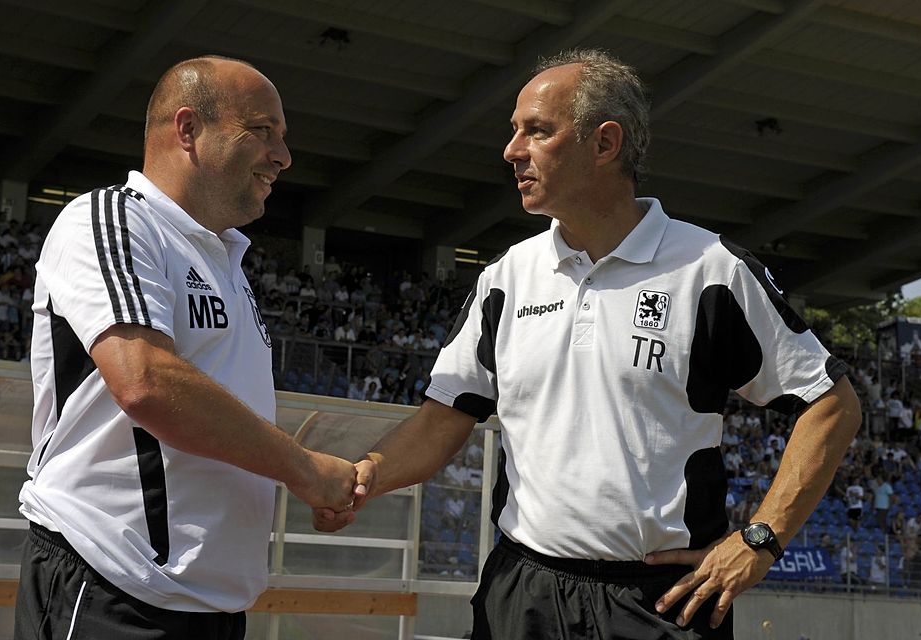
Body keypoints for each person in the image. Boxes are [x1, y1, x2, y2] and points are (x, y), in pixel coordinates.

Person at [313, 49, 861, 638]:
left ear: (604, 144)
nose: (511, 150)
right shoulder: (506, 277)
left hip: (662, 604)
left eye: (537, 131)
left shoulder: (710, 269)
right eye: (514, 131)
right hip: (522, 593)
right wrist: (366, 473)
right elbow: (443, 419)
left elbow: (831, 403)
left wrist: (760, 539)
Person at [14, 56, 364, 640]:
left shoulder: (227, 259)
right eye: (263, 131)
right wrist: (303, 469)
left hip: (210, 606)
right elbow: (145, 381)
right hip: (113, 587)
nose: (284, 156)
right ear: (188, 130)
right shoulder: (112, 221)